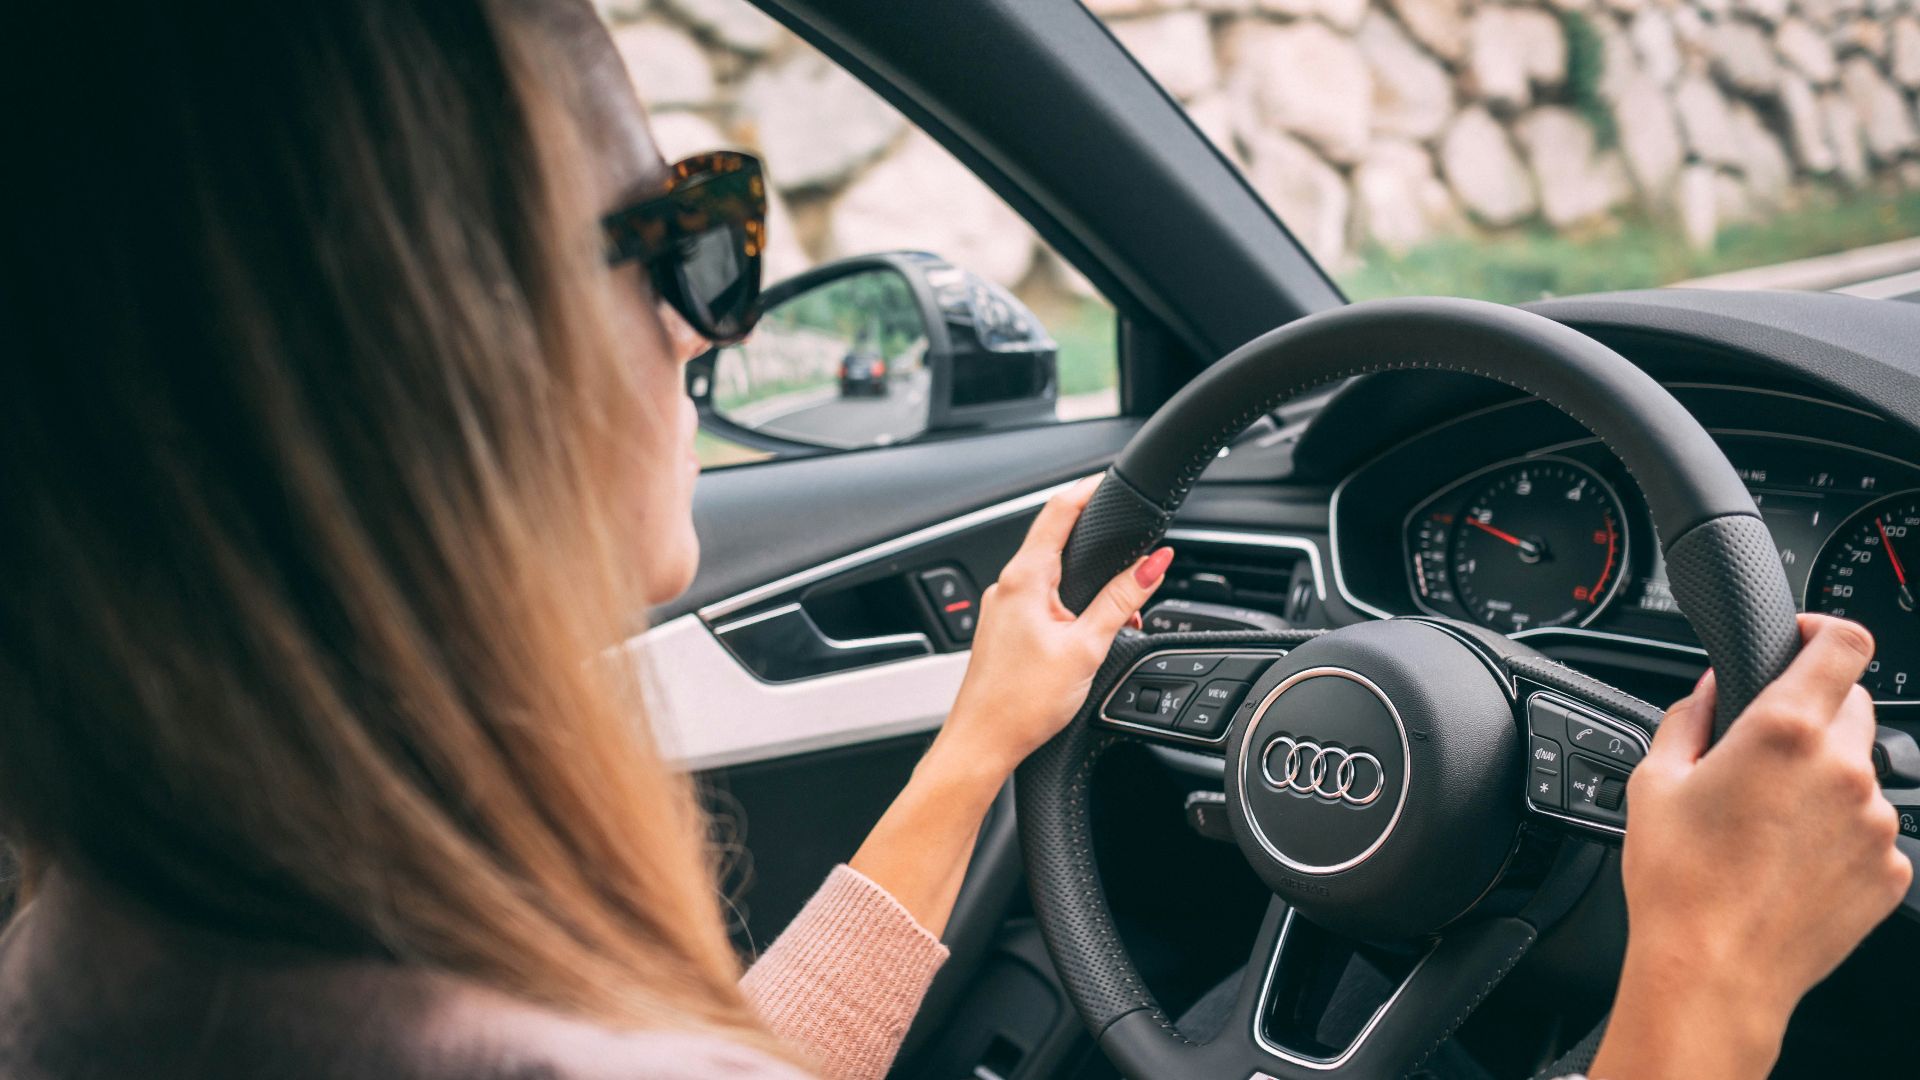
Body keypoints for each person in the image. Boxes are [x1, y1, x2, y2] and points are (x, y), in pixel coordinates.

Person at [0, 2, 1905, 1079]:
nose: (706, 317)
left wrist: (983, 745)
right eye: (684, 233)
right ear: (435, 343)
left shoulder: (103, 959)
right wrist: (1708, 974)